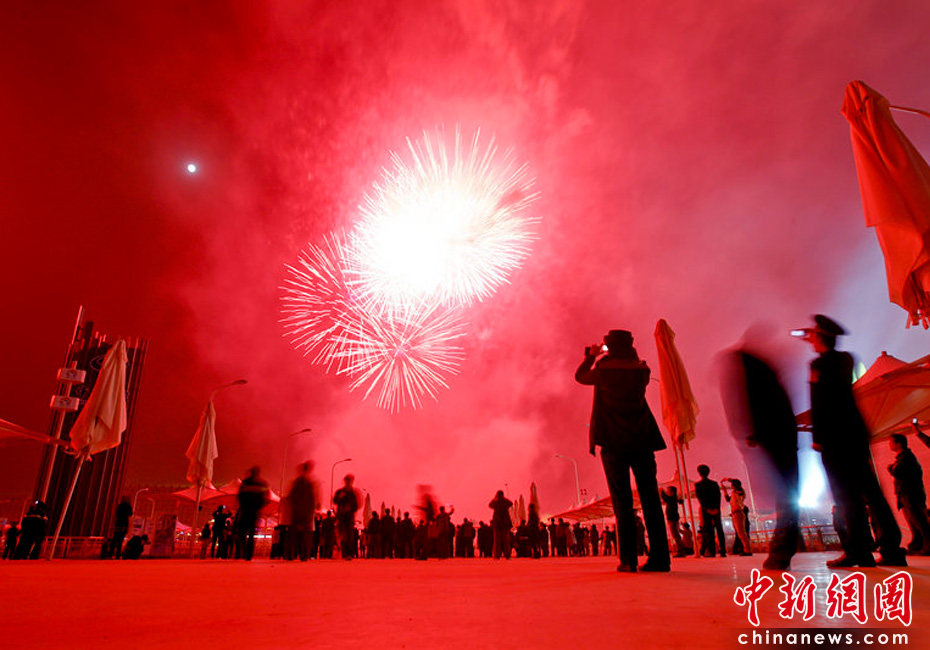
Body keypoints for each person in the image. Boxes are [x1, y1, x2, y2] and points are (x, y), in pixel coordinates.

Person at [797, 314, 906, 567]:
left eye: (814, 334)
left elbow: (820, 403)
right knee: (873, 494)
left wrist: (818, 437)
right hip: (856, 436)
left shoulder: (819, 365)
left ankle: (858, 550)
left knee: (846, 497)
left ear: (821, 336)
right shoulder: (846, 359)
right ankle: (892, 548)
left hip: (834, 439)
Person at [575, 329, 670, 572]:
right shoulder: (642, 370)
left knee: (622, 502)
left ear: (610, 347)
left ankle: (628, 560)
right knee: (650, 500)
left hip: (614, 443)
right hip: (643, 441)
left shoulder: (603, 371)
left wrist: (591, 356)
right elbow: (633, 362)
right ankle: (660, 558)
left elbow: (580, 376)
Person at [719, 340, 799, 570]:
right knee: (788, 494)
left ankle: (781, 551)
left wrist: (751, 434)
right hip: (785, 439)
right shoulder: (771, 380)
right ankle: (783, 549)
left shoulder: (754, 381)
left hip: (774, 438)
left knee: (786, 496)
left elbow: (744, 408)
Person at [889, 432, 930, 555]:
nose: (889, 445)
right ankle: (917, 544)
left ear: (898, 444)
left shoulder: (906, 458)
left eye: (891, 442)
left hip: (910, 494)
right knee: (913, 521)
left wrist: (891, 468)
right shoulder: (903, 457)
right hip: (906, 494)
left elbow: (898, 472)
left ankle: (927, 544)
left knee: (919, 520)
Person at [287, 461, 319, 561]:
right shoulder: (308, 483)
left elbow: (291, 496)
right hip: (304, 512)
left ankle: (291, 554)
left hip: (297, 511)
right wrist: (312, 509)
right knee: (305, 534)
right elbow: (312, 498)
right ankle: (304, 555)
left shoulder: (298, 482)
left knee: (294, 534)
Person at [237, 466, 270, 561]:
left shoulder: (245, 483)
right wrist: (259, 507)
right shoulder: (262, 484)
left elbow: (240, 496)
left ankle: (245, 551)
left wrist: (243, 506)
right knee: (251, 533)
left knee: (242, 532)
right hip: (254, 512)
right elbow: (265, 498)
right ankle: (248, 554)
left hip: (246, 510)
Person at [694, 465, 726, 558]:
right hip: (716, 509)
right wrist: (716, 508)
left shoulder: (698, 485)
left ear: (699, 473)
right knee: (719, 530)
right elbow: (718, 496)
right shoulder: (714, 484)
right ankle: (722, 550)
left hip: (706, 509)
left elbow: (700, 498)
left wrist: (707, 508)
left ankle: (712, 551)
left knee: (709, 531)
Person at [721, 478, 752, 556]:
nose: (731, 485)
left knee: (741, 533)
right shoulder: (734, 493)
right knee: (739, 532)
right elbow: (728, 499)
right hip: (735, 513)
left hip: (738, 512)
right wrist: (724, 490)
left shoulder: (740, 491)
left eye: (732, 484)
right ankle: (745, 549)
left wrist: (728, 479)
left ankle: (747, 550)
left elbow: (738, 486)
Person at [333, 474, 360, 559]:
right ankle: (345, 553)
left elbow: (356, 505)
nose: (348, 482)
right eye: (347, 480)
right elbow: (335, 500)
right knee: (343, 535)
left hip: (349, 517)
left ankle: (349, 553)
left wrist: (350, 508)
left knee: (349, 535)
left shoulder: (353, 493)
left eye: (350, 481)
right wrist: (340, 498)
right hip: (341, 516)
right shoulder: (340, 492)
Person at [661, 486, 686, 557]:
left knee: (676, 535)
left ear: (672, 492)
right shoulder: (673, 499)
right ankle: (681, 550)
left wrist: (662, 492)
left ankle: (681, 550)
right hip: (673, 518)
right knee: (676, 535)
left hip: (672, 518)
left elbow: (666, 498)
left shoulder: (672, 498)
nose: (668, 492)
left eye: (669, 491)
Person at [488, 490, 513, 559]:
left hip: (498, 524)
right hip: (505, 524)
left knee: (497, 541)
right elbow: (511, 503)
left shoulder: (496, 502)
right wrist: (504, 498)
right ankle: (507, 555)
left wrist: (495, 498)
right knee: (506, 541)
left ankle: (497, 555)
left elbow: (490, 505)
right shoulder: (505, 502)